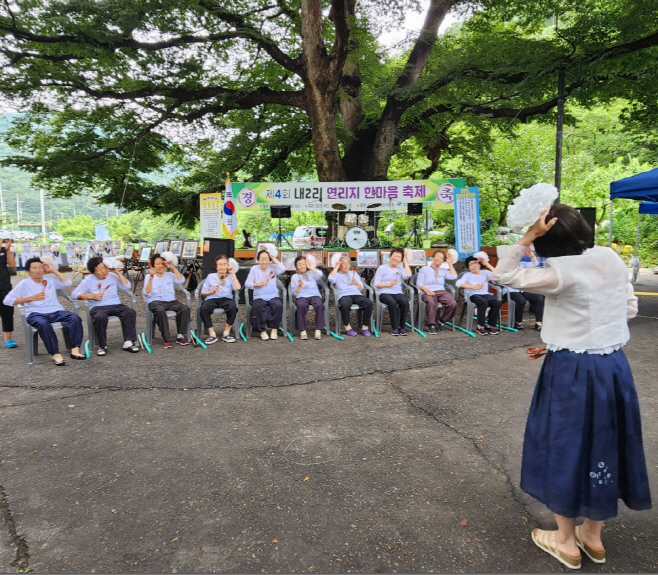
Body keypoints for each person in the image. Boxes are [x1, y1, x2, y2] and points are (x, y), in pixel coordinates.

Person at [492, 205, 651, 569]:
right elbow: (626, 309)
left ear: (546, 239)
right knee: (608, 440)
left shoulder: (558, 275)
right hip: (612, 366)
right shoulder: (609, 258)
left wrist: (526, 237)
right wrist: (568, 334)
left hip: (571, 370)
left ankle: (565, 542)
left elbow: (504, 275)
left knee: (564, 442)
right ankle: (592, 537)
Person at [3, 257, 86, 365]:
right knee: (43, 324)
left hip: (55, 310)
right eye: (34, 268)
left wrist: (52, 270)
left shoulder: (50, 279)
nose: (38, 270)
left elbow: (68, 283)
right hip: (35, 313)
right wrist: (30, 298)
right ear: (28, 271)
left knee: (74, 318)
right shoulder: (24, 283)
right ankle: (55, 354)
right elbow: (7, 300)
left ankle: (75, 350)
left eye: (40, 267)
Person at [71, 256, 140, 355]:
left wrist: (117, 272)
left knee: (130, 312)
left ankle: (128, 342)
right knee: (100, 317)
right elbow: (74, 294)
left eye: (104, 267)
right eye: (99, 269)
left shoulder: (112, 276)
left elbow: (127, 286)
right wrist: (91, 296)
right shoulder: (88, 280)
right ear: (93, 272)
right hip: (98, 307)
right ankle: (102, 345)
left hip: (115, 304)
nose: (103, 271)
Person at [143, 253, 190, 348]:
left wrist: (172, 267)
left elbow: (181, 280)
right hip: (155, 301)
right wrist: (151, 277)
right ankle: (167, 338)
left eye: (162, 263)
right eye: (157, 264)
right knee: (160, 311)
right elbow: (147, 292)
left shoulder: (170, 275)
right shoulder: (149, 276)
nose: (160, 266)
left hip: (170, 301)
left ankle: (180, 335)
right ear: (152, 265)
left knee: (185, 308)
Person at [244, 250, 285, 340]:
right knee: (258, 307)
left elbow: (283, 269)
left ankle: (274, 330)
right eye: (262, 259)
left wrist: (273, 257)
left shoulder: (273, 267)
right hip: (259, 296)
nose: (264, 261)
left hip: (273, 295)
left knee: (278, 305)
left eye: (266, 259)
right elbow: (247, 284)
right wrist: (259, 284)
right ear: (258, 260)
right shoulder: (254, 269)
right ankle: (262, 331)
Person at [198, 254, 240, 344]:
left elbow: (237, 287)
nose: (222, 267)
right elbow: (203, 292)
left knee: (233, 307)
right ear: (216, 267)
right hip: (212, 298)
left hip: (226, 299)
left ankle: (226, 333)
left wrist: (233, 274)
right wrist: (212, 291)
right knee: (203, 308)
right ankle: (212, 334)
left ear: (228, 265)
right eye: (220, 264)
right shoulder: (210, 276)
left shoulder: (230, 277)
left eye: (224, 264)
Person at [455, 255, 501, 335]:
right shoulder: (467, 275)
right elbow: (458, 283)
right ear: (468, 267)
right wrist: (473, 287)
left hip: (485, 294)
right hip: (472, 295)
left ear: (479, 264)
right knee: (483, 302)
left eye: (475, 263)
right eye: (471, 264)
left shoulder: (485, 273)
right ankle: (480, 326)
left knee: (497, 302)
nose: (473, 266)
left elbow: (497, 275)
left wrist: (486, 264)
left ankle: (489, 325)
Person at [328, 256, 372, 337]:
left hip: (356, 294)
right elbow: (331, 279)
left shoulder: (353, 274)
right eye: (343, 264)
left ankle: (365, 327)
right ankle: (347, 327)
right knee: (345, 305)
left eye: (347, 263)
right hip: (343, 294)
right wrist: (337, 266)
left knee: (368, 303)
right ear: (340, 265)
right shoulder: (337, 275)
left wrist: (356, 283)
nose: (346, 265)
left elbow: (361, 287)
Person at [416, 250, 458, 334]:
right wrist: (427, 291)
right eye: (438, 256)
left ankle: (442, 320)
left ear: (443, 261)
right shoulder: (425, 269)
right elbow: (419, 283)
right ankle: (431, 325)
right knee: (431, 302)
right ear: (433, 258)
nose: (439, 259)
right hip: (428, 291)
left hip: (441, 291)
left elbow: (454, 276)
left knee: (453, 303)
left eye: (442, 258)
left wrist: (450, 263)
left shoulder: (443, 270)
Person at [504, 247, 545, 331]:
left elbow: (535, 264)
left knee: (539, 298)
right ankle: (517, 322)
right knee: (521, 300)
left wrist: (532, 255)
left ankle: (538, 323)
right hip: (511, 290)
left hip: (522, 289)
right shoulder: (505, 267)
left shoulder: (522, 264)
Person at [373, 247, 412, 335]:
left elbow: (408, 275)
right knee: (392, 302)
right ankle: (394, 327)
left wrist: (405, 261)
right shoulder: (382, 268)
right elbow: (376, 284)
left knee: (405, 302)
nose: (396, 259)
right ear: (390, 256)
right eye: (395, 256)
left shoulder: (400, 269)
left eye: (399, 257)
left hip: (397, 292)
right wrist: (389, 285)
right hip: (384, 292)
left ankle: (401, 327)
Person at [290, 255, 325, 340]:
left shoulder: (312, 273)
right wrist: (299, 286)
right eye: (299, 264)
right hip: (301, 296)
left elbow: (320, 274)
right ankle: (302, 330)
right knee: (301, 305)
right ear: (296, 267)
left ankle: (318, 330)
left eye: (303, 264)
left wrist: (310, 267)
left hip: (314, 295)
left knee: (320, 305)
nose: (302, 266)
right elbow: (294, 292)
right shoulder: (295, 277)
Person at [0, 238, 17, 348]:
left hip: (4, 285)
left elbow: (12, 265)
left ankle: (8, 338)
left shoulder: (3, 250)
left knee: (7, 311)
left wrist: (7, 250)